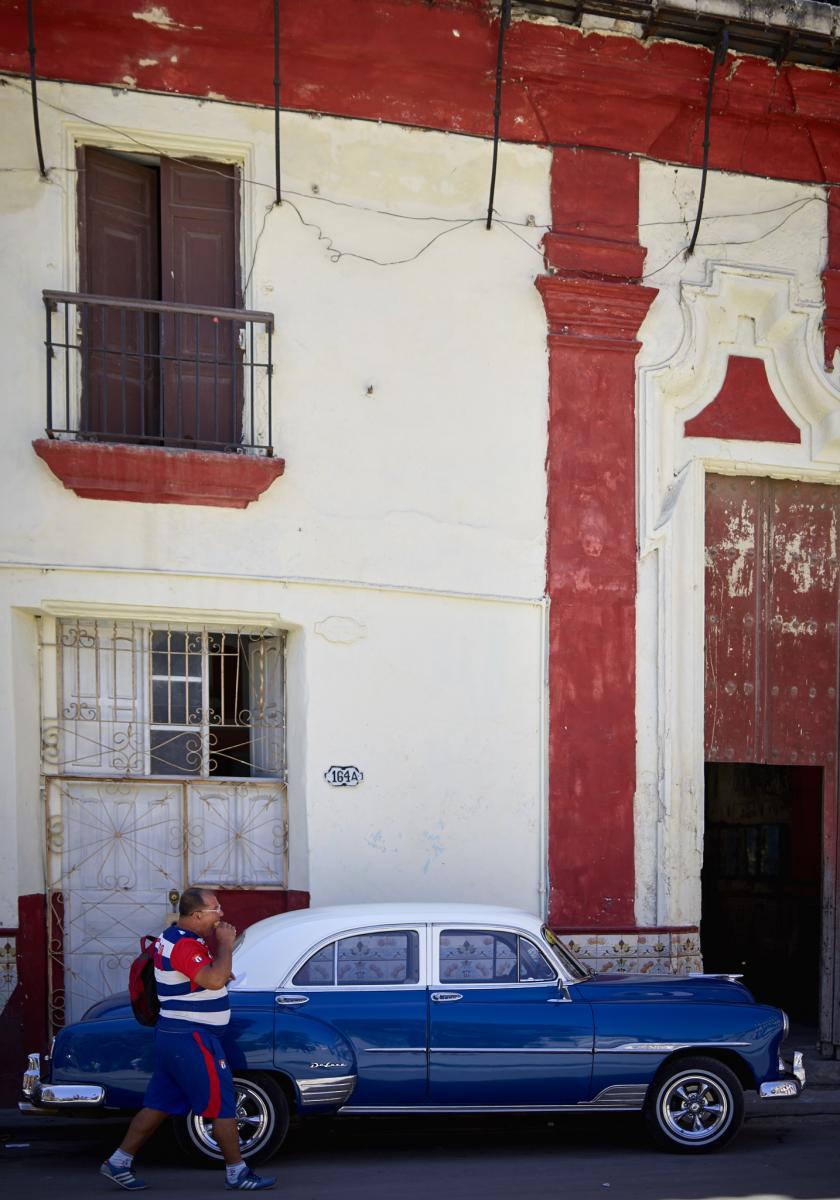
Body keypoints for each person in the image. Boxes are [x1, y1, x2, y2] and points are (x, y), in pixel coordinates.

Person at [100, 887, 276, 1191]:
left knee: (158, 1103)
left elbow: (202, 976)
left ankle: (118, 1161)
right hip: (192, 1037)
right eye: (215, 909)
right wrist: (225, 946)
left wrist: (218, 969)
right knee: (222, 1104)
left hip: (175, 1034)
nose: (221, 915)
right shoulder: (184, 945)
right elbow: (212, 979)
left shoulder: (173, 938)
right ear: (196, 915)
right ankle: (237, 1172)